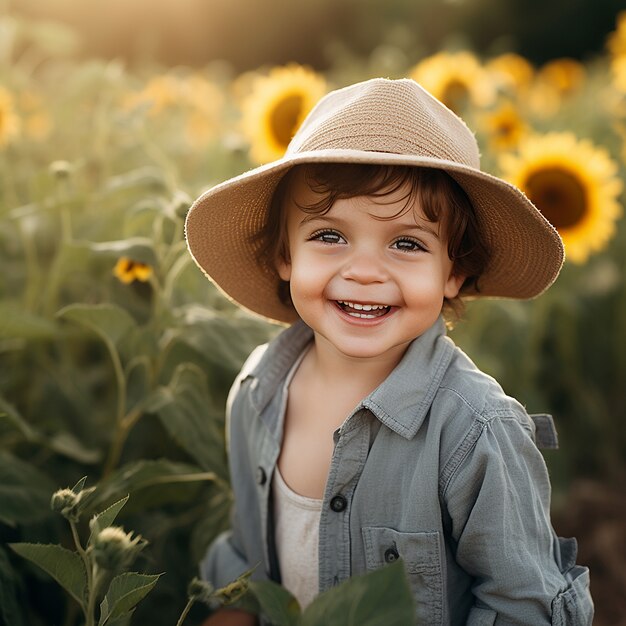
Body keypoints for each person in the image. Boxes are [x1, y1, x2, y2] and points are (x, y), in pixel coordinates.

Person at [185, 78, 593, 625]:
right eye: (329, 235)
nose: (364, 271)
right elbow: (247, 557)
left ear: (456, 271)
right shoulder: (258, 391)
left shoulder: (475, 432)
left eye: (407, 244)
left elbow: (523, 603)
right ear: (284, 255)